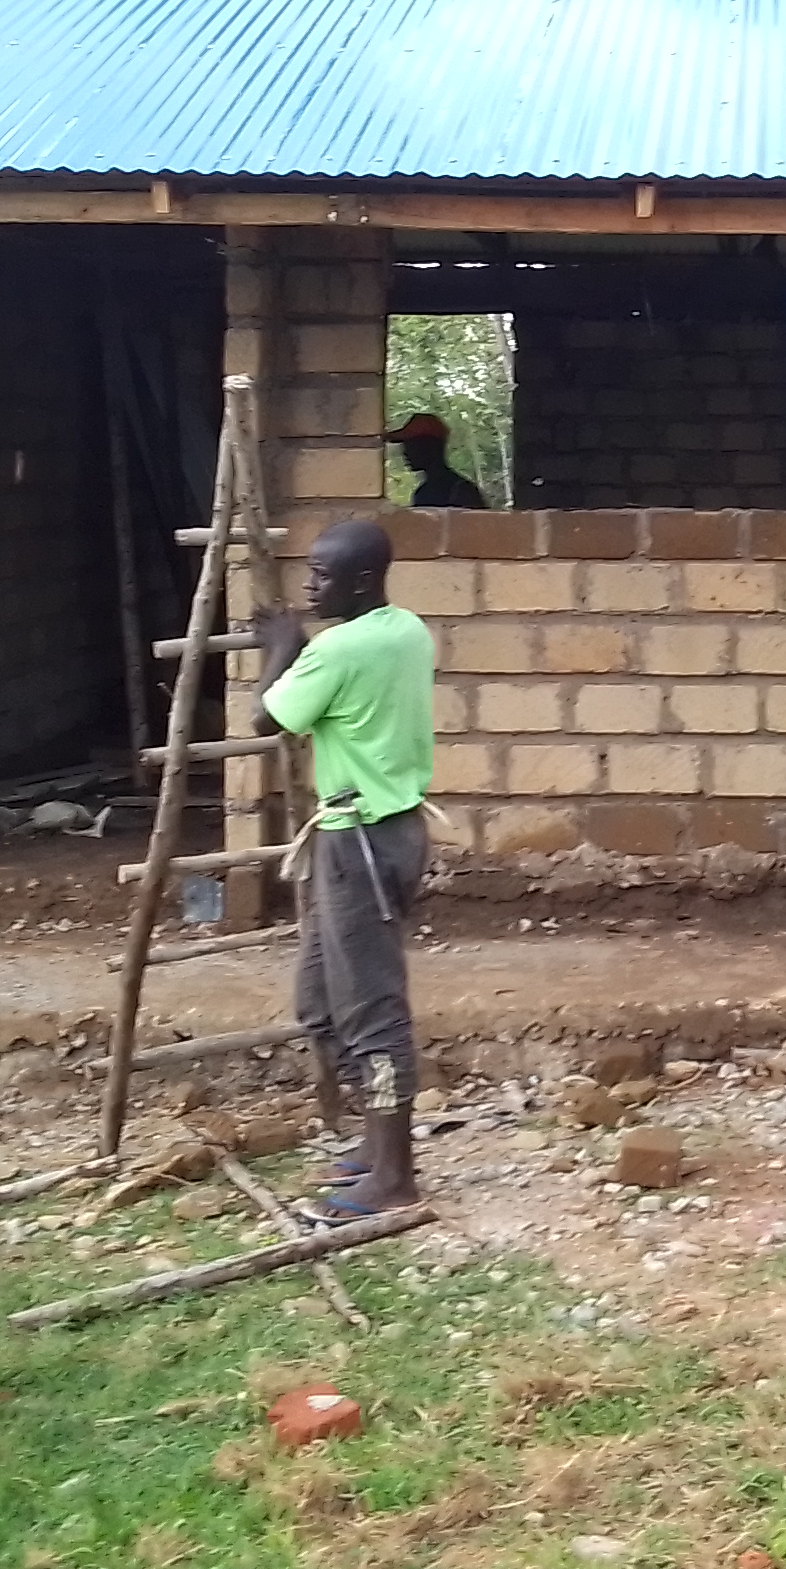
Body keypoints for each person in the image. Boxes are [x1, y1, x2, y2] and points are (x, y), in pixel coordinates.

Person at [253, 518, 435, 1214]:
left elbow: (267, 721)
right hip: (381, 832)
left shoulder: (338, 650)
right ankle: (375, 1147)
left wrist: (280, 650)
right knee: (321, 1002)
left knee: (371, 1011)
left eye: (322, 576)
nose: (309, 585)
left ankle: (394, 1178)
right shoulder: (407, 630)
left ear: (361, 582)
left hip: (359, 840)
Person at [383, 410, 488, 509]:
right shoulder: (422, 493)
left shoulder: (462, 491)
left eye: (411, 446)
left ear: (430, 447)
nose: (405, 453)